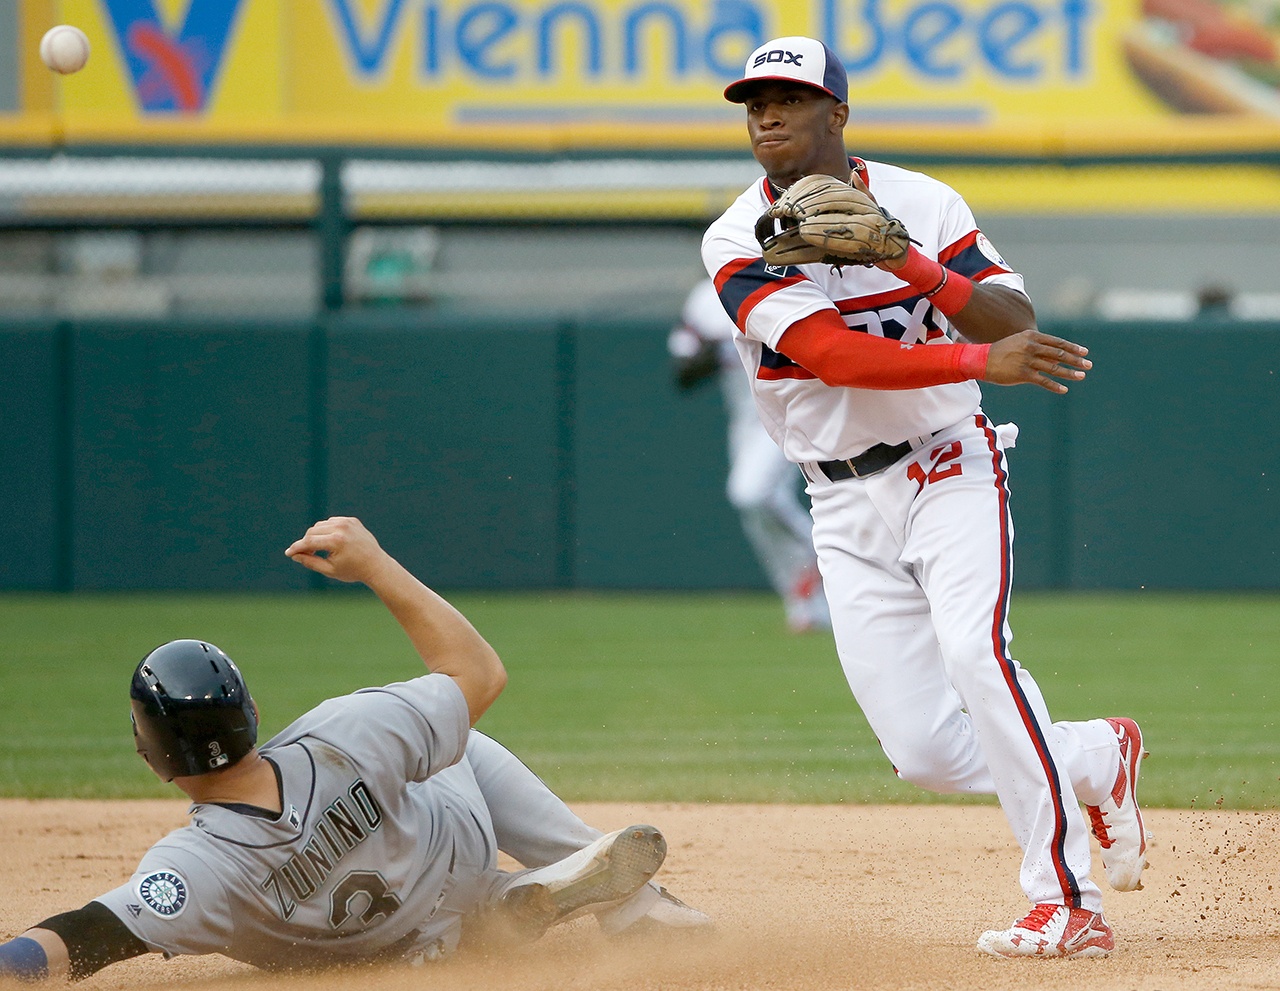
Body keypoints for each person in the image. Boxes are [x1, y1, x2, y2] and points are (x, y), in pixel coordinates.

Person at [701, 37, 1148, 958]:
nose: (767, 115)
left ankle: (1065, 900)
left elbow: (1013, 318)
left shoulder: (923, 201)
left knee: (976, 655)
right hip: (839, 500)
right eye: (755, 102)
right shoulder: (735, 234)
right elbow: (831, 355)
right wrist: (976, 360)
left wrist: (906, 259)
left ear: (838, 114)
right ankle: (1097, 756)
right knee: (927, 752)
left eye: (788, 97)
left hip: (948, 461)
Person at [0, 516, 710, 982]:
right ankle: (620, 897)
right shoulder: (346, 731)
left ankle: (497, 907)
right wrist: (374, 564)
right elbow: (478, 672)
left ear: (154, 757)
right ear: (250, 712)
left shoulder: (196, 868)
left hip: (388, 942)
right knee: (456, 743)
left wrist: (11, 959)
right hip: (451, 841)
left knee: (418, 919)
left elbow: (84, 935)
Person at [668, 277, 831, 632]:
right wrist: (720, 344)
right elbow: (683, 373)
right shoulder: (706, 298)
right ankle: (807, 605)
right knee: (756, 513)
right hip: (745, 421)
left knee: (751, 494)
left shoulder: (789, 280)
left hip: (791, 410)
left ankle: (828, 549)